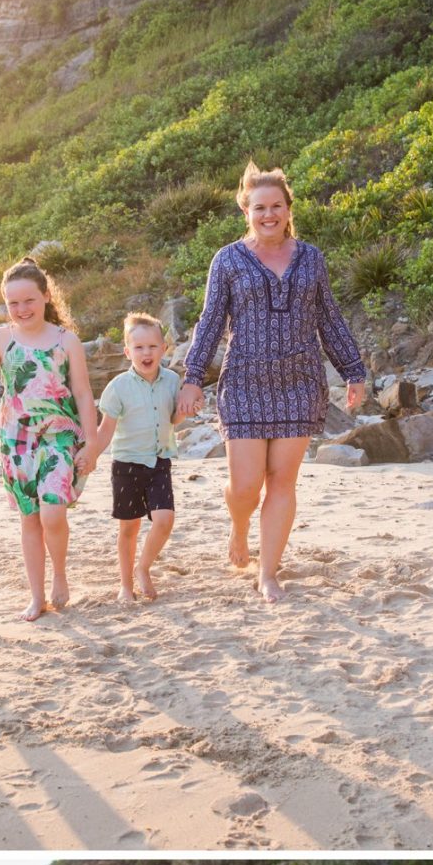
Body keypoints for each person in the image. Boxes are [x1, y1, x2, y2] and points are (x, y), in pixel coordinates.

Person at [178, 161, 368, 603]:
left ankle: (268, 571)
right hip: (244, 380)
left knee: (282, 481)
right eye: (259, 207)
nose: (269, 215)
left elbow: (328, 318)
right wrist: (192, 378)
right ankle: (240, 526)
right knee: (245, 486)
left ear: (288, 209)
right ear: (246, 210)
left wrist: (352, 370)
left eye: (276, 206)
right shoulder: (227, 260)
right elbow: (210, 322)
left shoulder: (311, 258)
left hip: (299, 381)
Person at [0, 259, 97, 621]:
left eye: (29, 300)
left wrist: (90, 443)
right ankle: (37, 595)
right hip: (17, 442)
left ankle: (60, 573)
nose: (22, 309)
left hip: (59, 437)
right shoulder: (1, 339)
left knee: (53, 511)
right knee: (30, 518)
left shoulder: (65, 340)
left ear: (45, 297)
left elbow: (84, 394)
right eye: (14, 303)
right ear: (6, 305)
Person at [83, 313, 185, 605]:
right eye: (138, 348)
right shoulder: (117, 387)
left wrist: (186, 410)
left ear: (163, 348)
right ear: (127, 352)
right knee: (129, 527)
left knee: (164, 520)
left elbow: (173, 417)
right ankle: (126, 585)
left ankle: (144, 567)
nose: (146, 353)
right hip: (126, 465)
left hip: (159, 461)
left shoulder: (172, 381)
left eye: (152, 346)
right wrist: (91, 456)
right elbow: (105, 431)